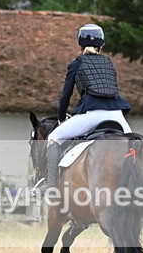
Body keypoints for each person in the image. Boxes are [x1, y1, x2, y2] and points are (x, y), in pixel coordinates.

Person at [37, 23, 133, 193]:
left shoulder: (76, 64)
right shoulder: (108, 63)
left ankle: (51, 184)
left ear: (80, 44)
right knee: (133, 147)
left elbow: (65, 96)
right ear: (101, 45)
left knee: (54, 137)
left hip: (91, 114)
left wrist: (61, 117)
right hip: (117, 115)